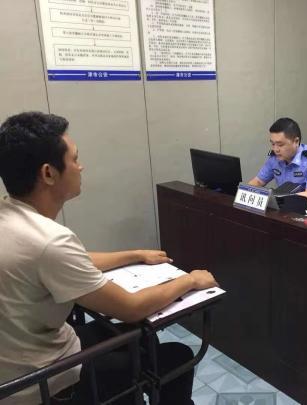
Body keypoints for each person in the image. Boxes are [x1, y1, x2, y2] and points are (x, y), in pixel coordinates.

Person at [0, 112, 218, 405]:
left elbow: (73, 262)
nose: (81, 166)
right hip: (44, 381)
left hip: (18, 361)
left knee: (144, 339)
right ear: (48, 173)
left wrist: (135, 255)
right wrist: (190, 280)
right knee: (176, 357)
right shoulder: (49, 241)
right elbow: (131, 308)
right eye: (75, 159)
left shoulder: (10, 216)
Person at [248, 117, 307, 208]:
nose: (276, 149)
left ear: (296, 141)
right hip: (286, 206)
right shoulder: (275, 158)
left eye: (280, 145)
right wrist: (244, 192)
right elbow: (258, 181)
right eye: (273, 144)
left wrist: (276, 198)